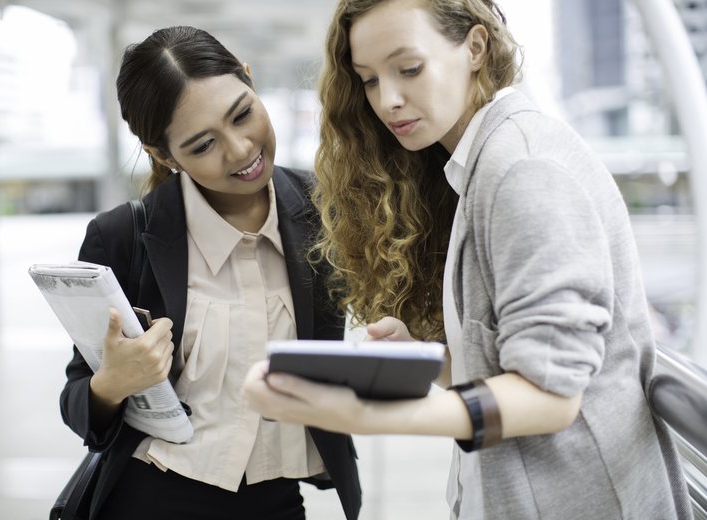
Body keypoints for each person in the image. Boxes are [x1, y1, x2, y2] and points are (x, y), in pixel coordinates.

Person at [242, 1, 694, 518]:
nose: (388, 100)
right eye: (369, 80)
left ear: (475, 47)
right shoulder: (480, 166)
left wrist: (370, 414)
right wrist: (423, 361)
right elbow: (515, 366)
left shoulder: (523, 169)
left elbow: (553, 393)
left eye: (409, 68)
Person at [59, 25, 361, 520]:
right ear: (163, 155)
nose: (240, 150)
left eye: (242, 114)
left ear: (250, 79)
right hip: (149, 501)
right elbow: (77, 400)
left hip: (279, 502)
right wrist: (112, 382)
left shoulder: (326, 211)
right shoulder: (121, 238)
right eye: (203, 145)